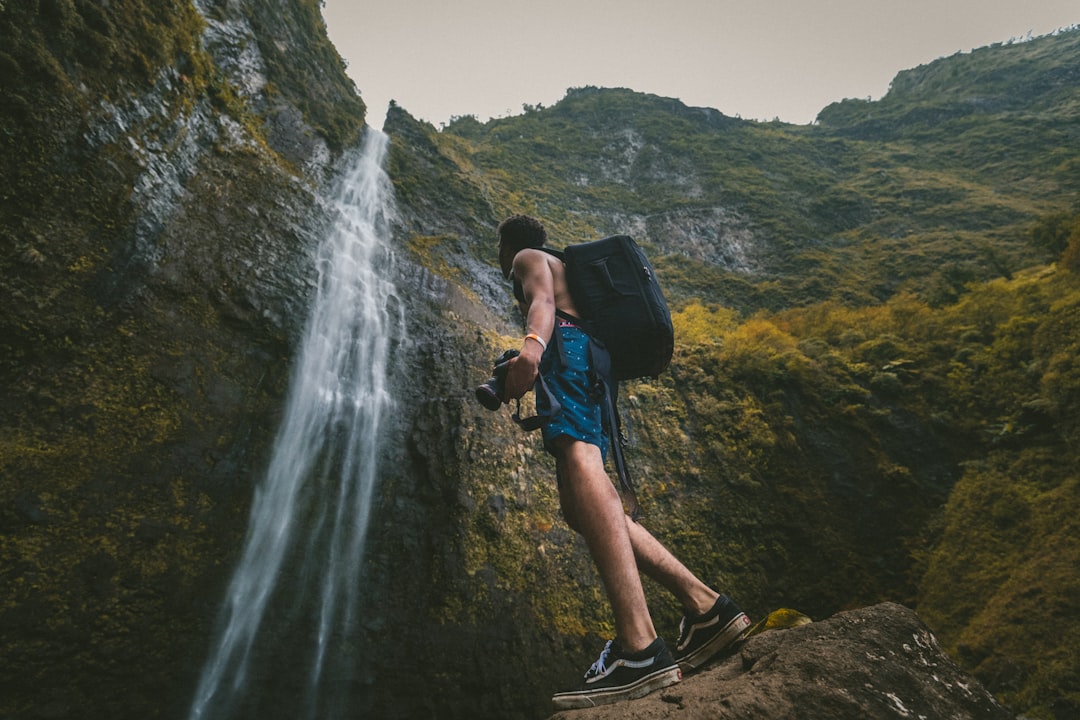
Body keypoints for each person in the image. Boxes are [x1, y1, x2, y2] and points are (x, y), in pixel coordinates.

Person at [495, 215, 751, 710]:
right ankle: (706, 608)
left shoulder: (528, 259)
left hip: (565, 352)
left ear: (508, 246)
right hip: (592, 360)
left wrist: (530, 352)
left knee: (582, 467)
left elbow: (543, 304)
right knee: (578, 505)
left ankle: (639, 649)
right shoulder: (566, 266)